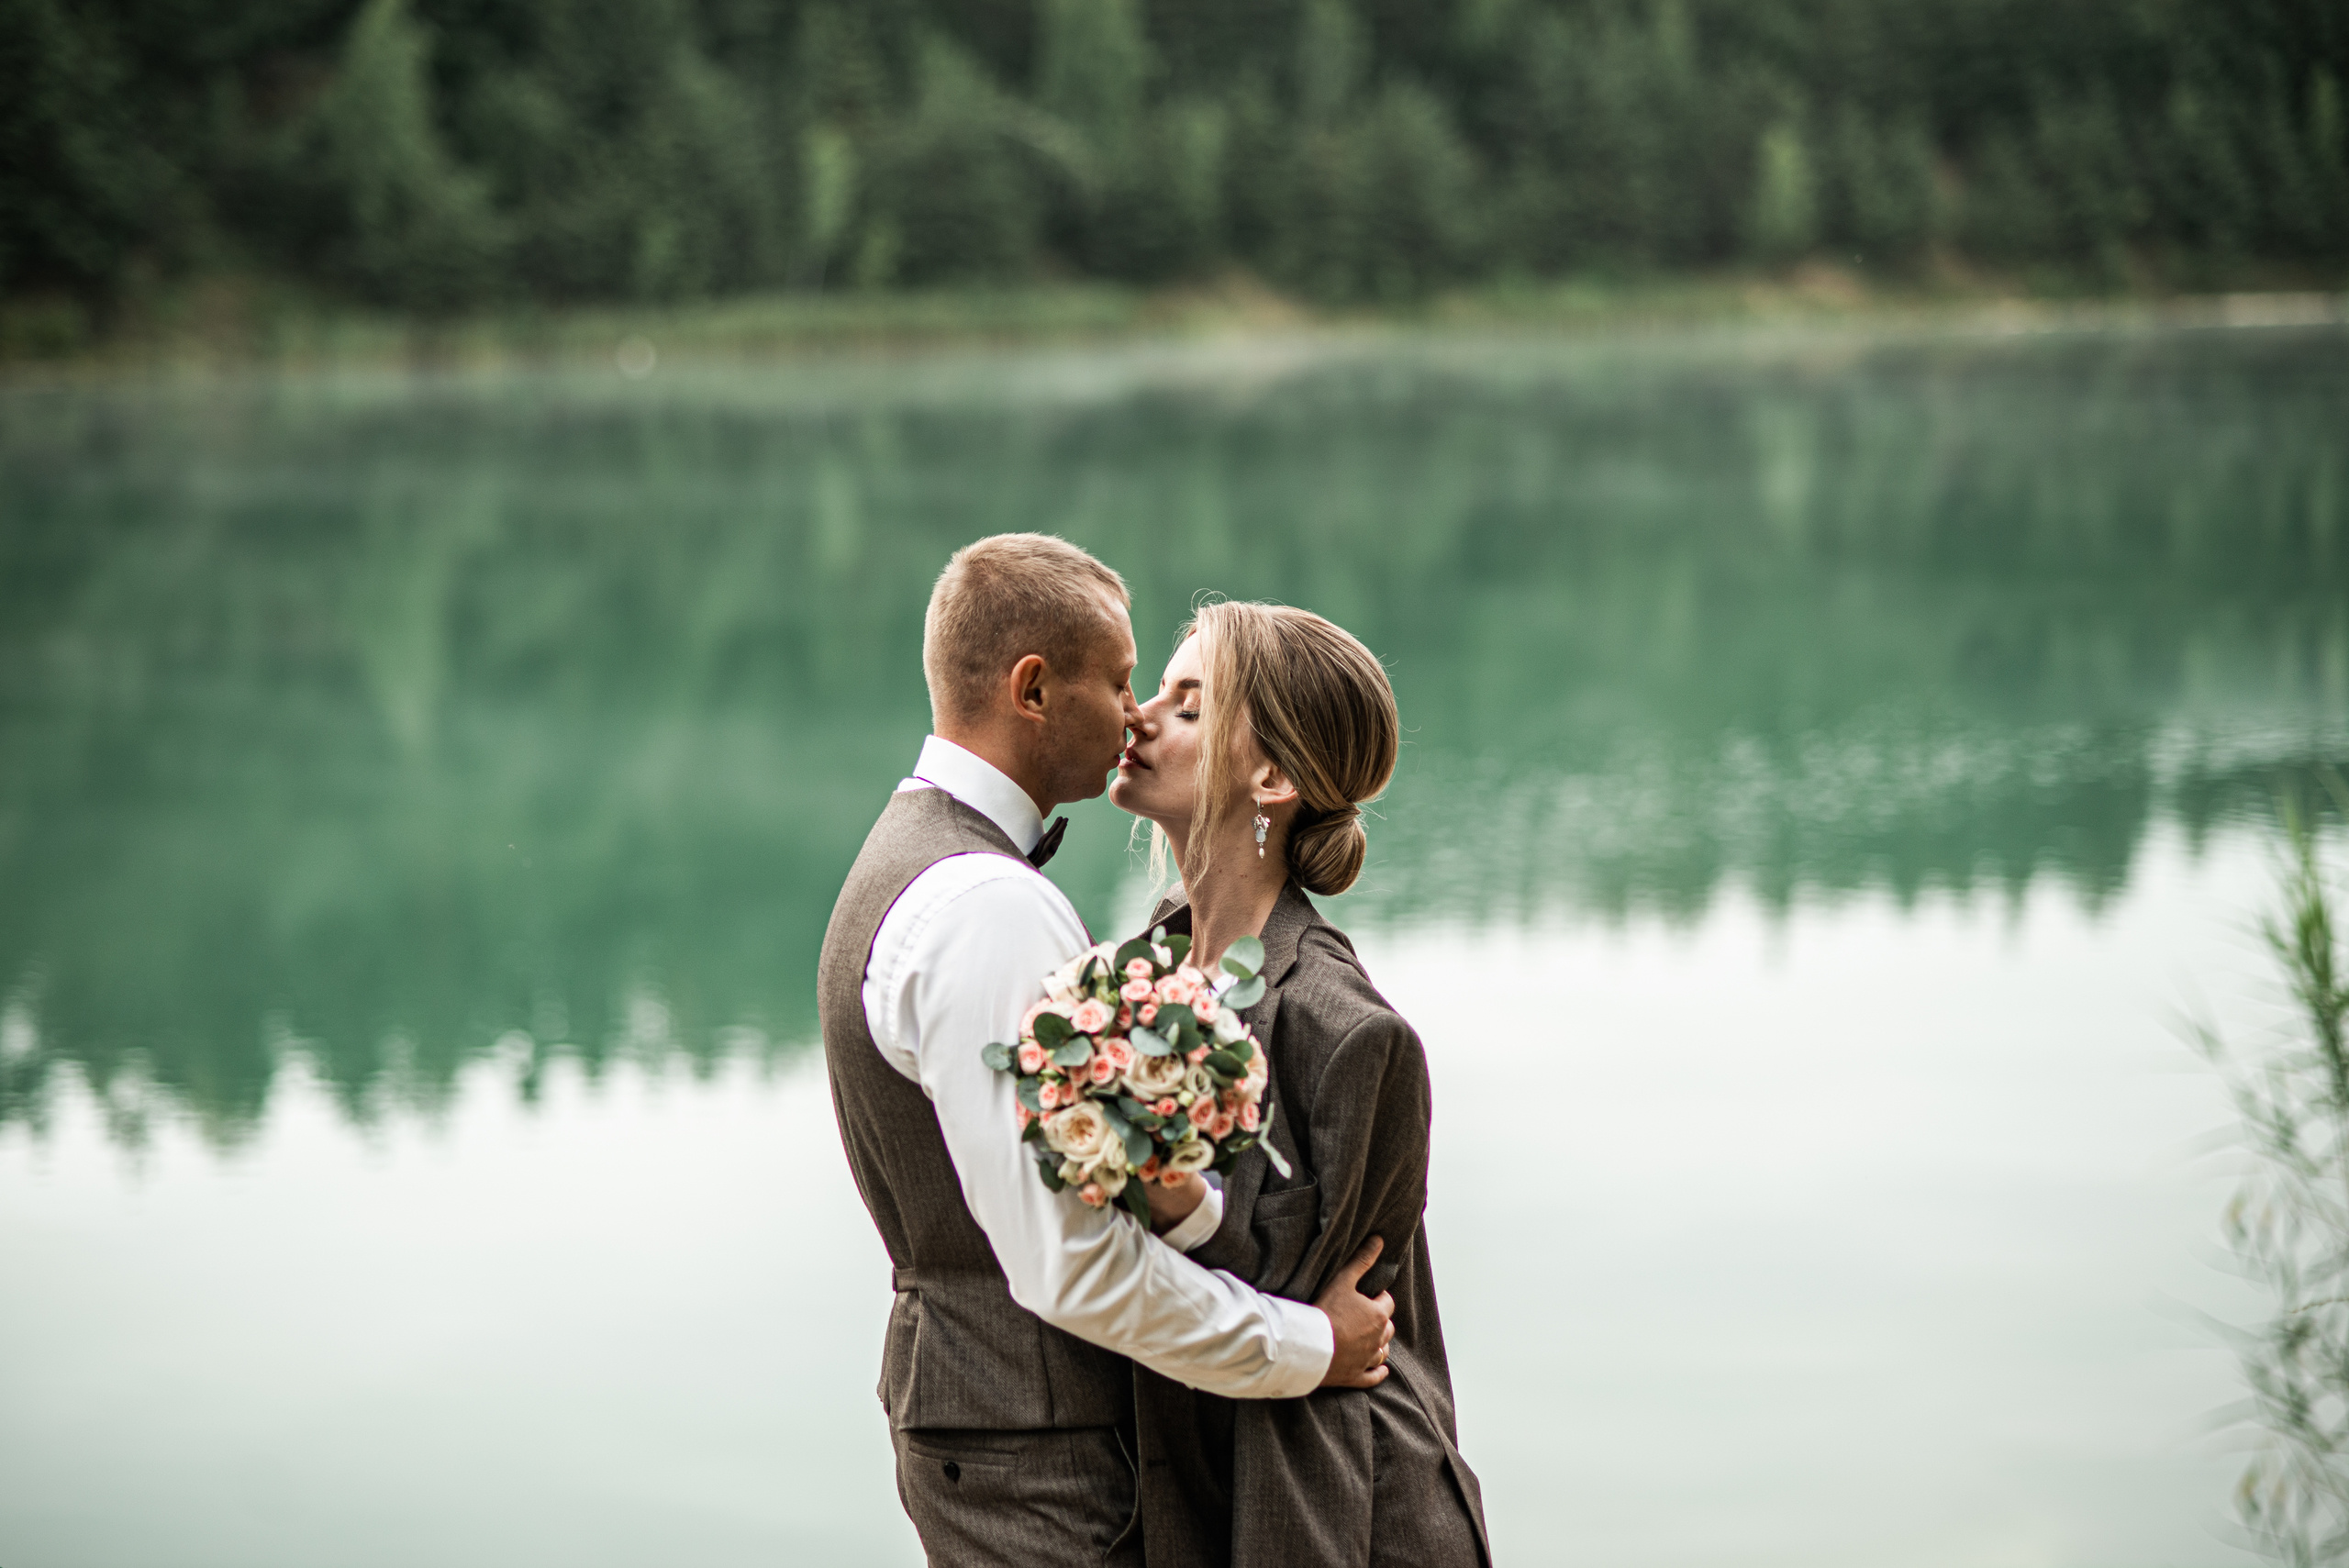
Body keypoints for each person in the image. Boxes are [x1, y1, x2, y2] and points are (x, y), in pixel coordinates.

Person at [816, 536, 1399, 1568]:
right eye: (1130, 683)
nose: (1135, 715)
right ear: (1033, 690)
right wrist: (1315, 1345)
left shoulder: (923, 857)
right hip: (1036, 1446)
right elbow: (1069, 1263)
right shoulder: (990, 906)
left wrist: (1185, 1197)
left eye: (1175, 698)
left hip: (1010, 1430)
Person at [1110, 600, 1489, 1568]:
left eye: (1187, 706)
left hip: (1340, 1516)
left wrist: (1159, 1179)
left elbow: (1300, 1309)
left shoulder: (1348, 1032)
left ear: (1270, 776)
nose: (1136, 715)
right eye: (1154, 689)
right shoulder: (1122, 977)